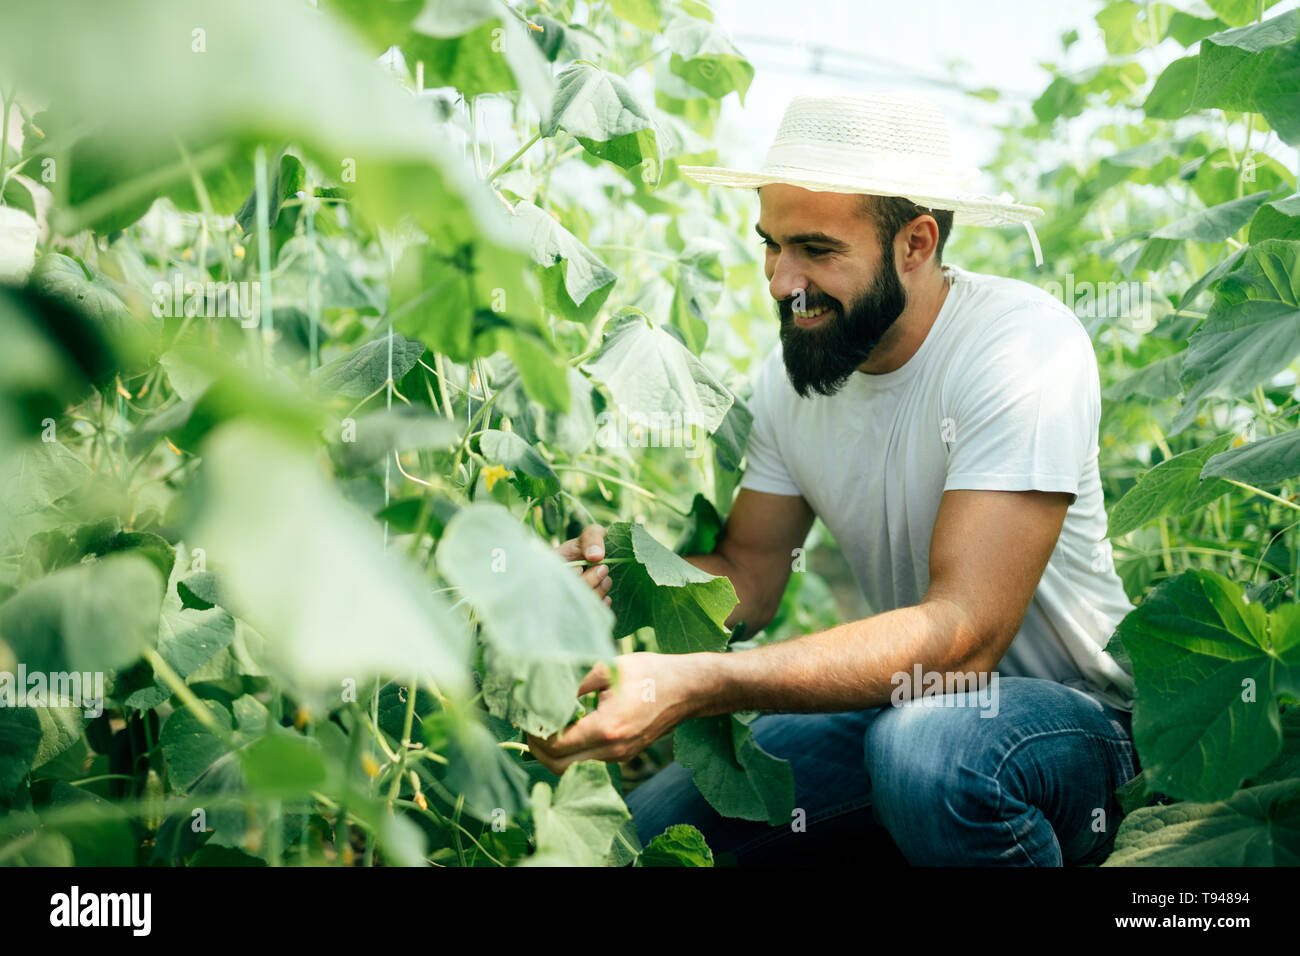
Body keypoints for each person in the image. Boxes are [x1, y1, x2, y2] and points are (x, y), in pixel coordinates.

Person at [535, 92, 1140, 866]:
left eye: (817, 250)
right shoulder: (790, 379)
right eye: (771, 245)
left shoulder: (1020, 348)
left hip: (1078, 728)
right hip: (906, 703)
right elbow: (749, 577)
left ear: (916, 243)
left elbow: (965, 640)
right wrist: (622, 575)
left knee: (928, 755)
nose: (784, 281)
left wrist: (700, 682)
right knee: (643, 837)